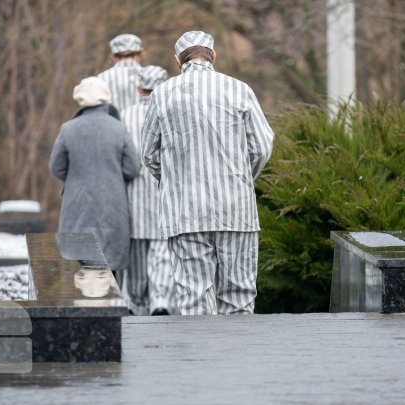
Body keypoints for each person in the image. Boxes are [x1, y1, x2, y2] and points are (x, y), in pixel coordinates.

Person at [141, 31, 274, 315]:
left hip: (184, 212)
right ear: (213, 55)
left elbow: (149, 154)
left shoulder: (162, 94)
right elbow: (262, 147)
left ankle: (200, 357)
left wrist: (174, 180)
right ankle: (237, 357)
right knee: (239, 293)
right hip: (236, 210)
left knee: (193, 295)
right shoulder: (240, 89)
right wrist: (241, 179)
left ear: (178, 60)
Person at [49, 76, 140, 291]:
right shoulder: (118, 128)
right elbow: (132, 168)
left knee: (79, 264)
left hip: (76, 207)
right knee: (109, 268)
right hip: (112, 207)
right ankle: (111, 314)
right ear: (105, 99)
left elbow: (56, 167)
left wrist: (75, 179)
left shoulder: (68, 129)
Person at [121, 65, 173, 316]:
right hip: (165, 190)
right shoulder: (171, 112)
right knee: (162, 247)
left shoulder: (124, 116)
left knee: (138, 251)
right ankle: (160, 299)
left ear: (138, 87)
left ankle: (137, 302)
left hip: (133, 194)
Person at [97, 33, 144, 110]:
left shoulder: (101, 78)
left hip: (111, 121)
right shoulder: (151, 75)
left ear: (113, 57)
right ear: (139, 54)